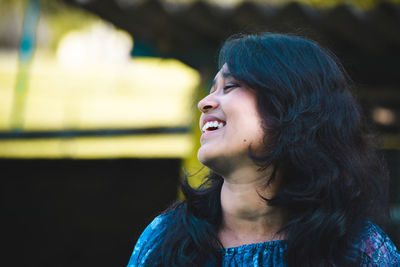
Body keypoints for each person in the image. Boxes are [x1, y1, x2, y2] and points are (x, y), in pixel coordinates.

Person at [127, 33, 400, 266]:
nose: (205, 102)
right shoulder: (166, 240)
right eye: (212, 89)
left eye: (230, 86)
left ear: (291, 108)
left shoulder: (359, 249)